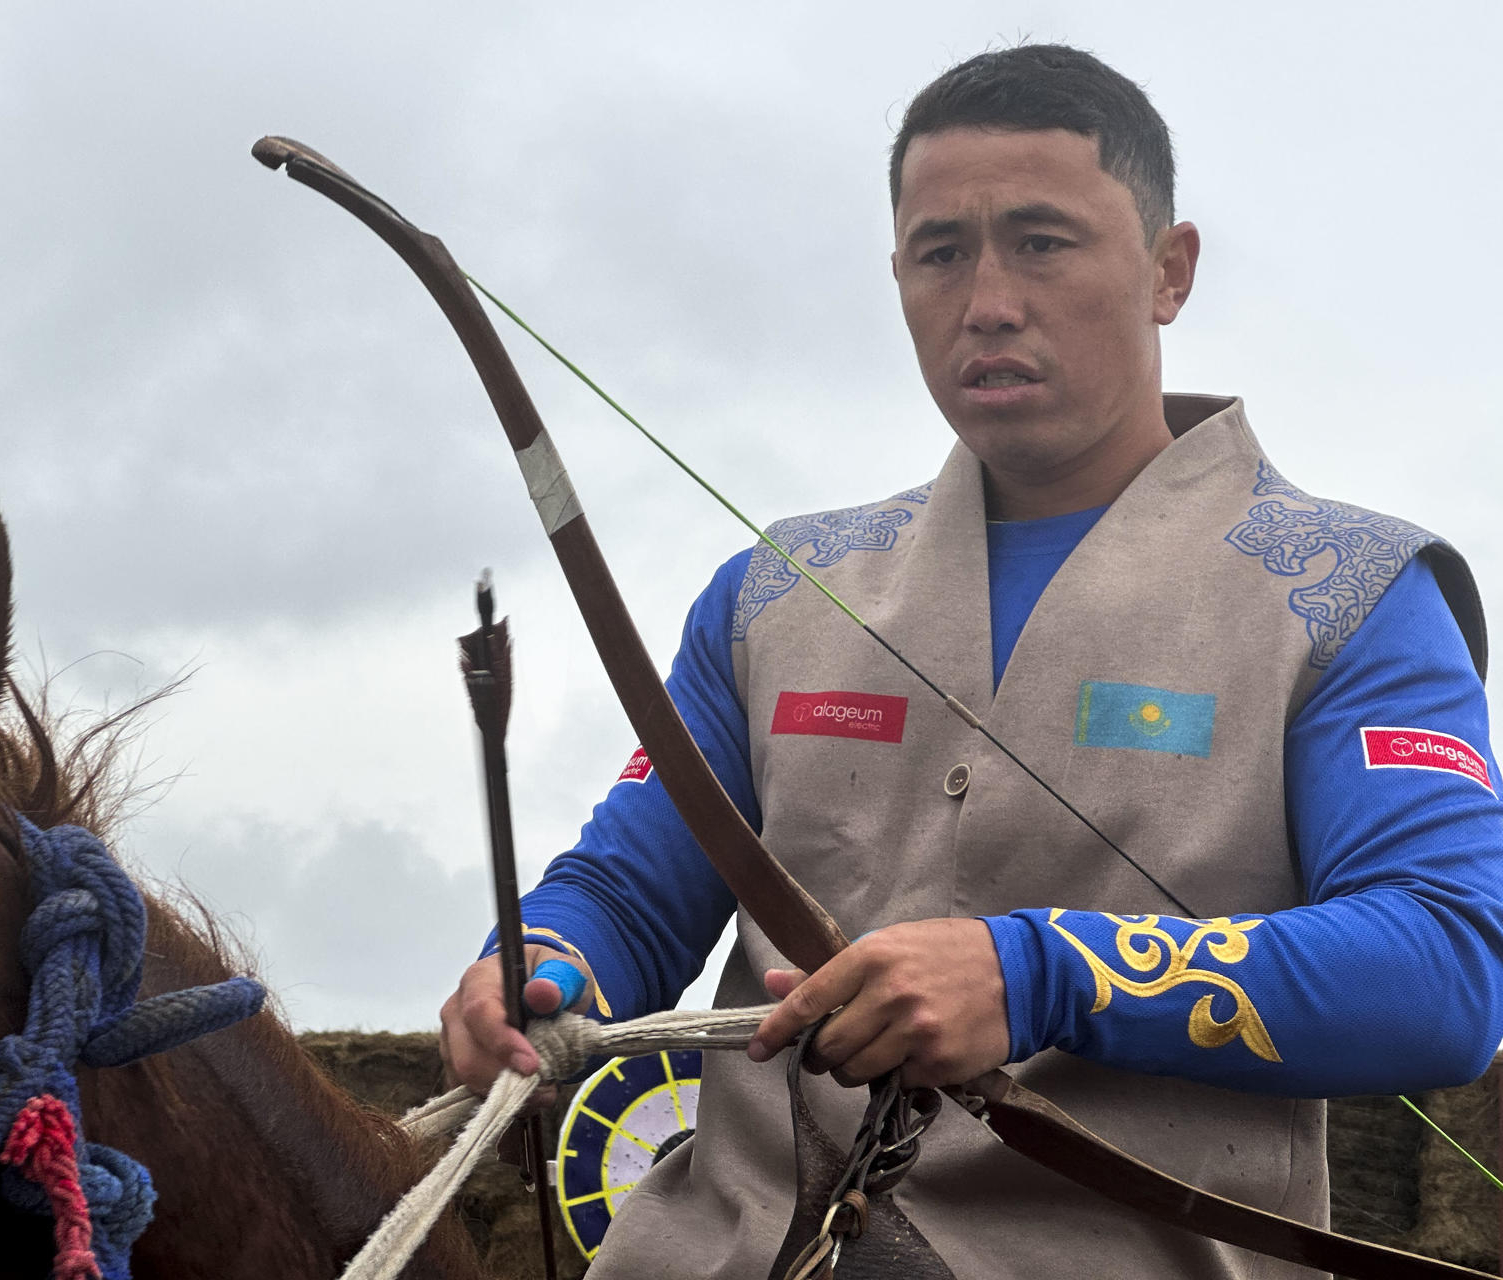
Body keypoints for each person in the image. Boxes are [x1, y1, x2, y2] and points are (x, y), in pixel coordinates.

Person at [438, 43, 1503, 1279]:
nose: (987, 297)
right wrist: (543, 965)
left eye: (1042, 241)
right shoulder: (774, 591)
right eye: (941, 252)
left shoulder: (1353, 589)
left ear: (1170, 269)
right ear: (898, 274)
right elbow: (627, 895)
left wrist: (1037, 971)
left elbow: (1445, 967)